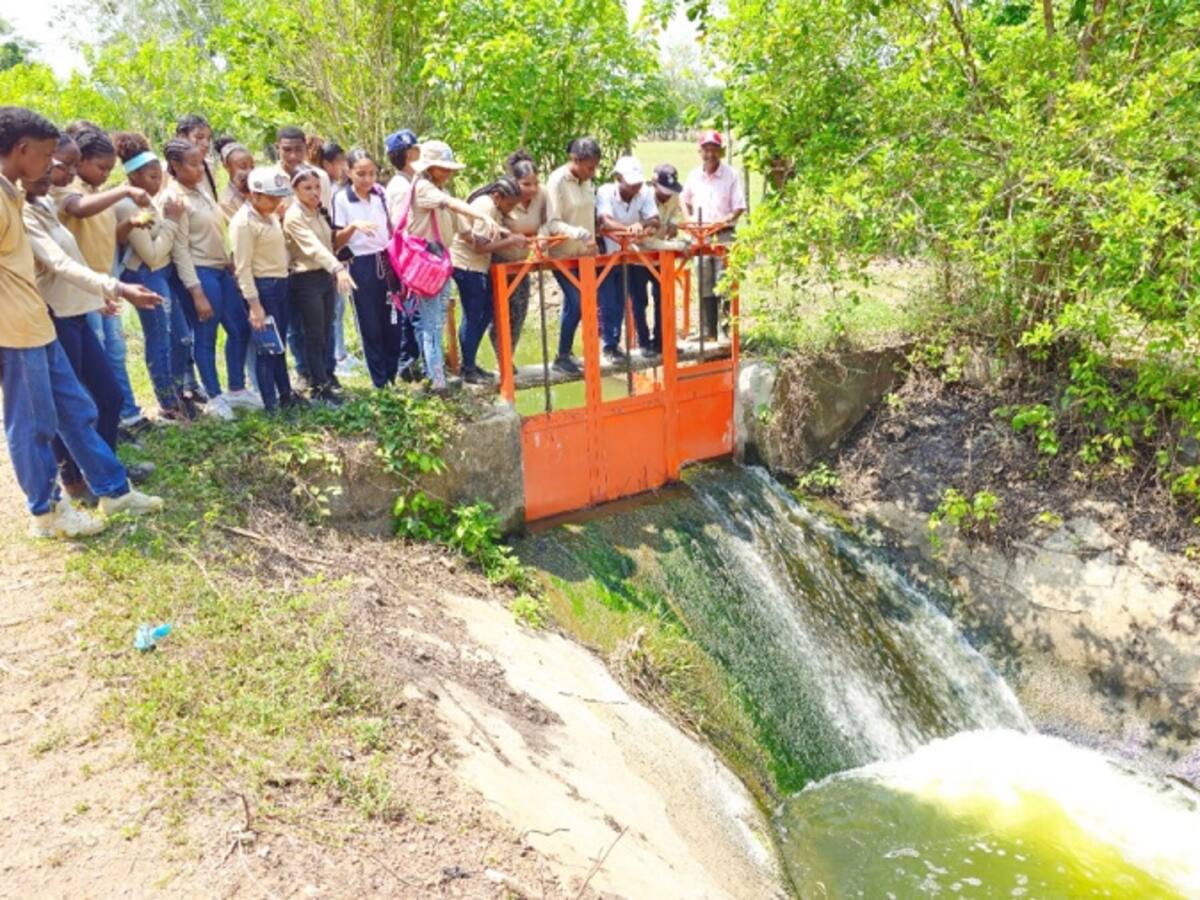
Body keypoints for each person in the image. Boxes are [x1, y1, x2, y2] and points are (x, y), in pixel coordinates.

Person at [0, 106, 163, 537]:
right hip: (13, 330)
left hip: (38, 323)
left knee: (77, 408)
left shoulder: (15, 195)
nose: (57, 169)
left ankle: (114, 490)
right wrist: (119, 288)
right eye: (49, 156)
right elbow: (53, 261)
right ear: (23, 150)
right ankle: (46, 513)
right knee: (33, 423)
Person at [23, 149, 164, 495]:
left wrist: (96, 298)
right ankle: (75, 480)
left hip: (77, 313)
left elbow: (73, 259)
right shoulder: (27, 212)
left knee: (108, 396)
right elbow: (57, 265)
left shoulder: (42, 203)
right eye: (58, 166)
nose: (65, 173)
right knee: (71, 408)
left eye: (70, 166)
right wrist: (116, 288)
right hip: (55, 317)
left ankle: (105, 470)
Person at [52, 125, 148, 432]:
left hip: (108, 278)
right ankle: (98, 425)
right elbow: (78, 211)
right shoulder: (66, 190)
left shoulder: (97, 193)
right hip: (82, 284)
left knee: (115, 354)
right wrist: (123, 190)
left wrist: (130, 223)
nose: (106, 174)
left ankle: (124, 416)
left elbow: (109, 237)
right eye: (101, 167)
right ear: (80, 163)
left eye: (110, 169)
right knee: (96, 361)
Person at [163, 138, 259, 420]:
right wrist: (196, 292)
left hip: (220, 269)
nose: (199, 170)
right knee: (206, 335)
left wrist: (229, 261)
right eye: (192, 165)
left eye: (201, 164)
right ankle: (215, 397)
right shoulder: (175, 198)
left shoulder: (201, 191)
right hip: (200, 272)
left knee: (239, 328)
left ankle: (237, 388)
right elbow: (179, 249)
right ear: (175, 166)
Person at [405, 140, 505, 392]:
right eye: (444, 168)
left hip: (440, 262)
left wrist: (492, 235)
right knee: (430, 322)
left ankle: (435, 372)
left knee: (436, 319)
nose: (449, 173)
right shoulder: (424, 189)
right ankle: (436, 378)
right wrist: (481, 214)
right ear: (430, 167)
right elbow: (452, 206)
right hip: (426, 262)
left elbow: (463, 228)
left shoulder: (440, 192)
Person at [111, 131, 192, 421]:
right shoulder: (127, 206)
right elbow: (153, 254)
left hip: (164, 274)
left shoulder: (149, 200)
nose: (158, 183)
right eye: (151, 177)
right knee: (160, 338)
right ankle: (168, 403)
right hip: (147, 275)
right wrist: (171, 221)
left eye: (160, 177)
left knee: (182, 338)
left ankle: (179, 391)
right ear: (133, 177)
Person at [230, 167, 301, 413]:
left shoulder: (269, 216)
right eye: (271, 197)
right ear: (255, 194)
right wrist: (254, 305)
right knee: (267, 349)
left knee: (279, 347)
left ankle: (286, 395)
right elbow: (243, 268)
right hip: (263, 288)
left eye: (279, 197)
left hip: (280, 283)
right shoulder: (244, 223)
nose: (276, 202)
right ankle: (271, 405)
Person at [284, 165, 355, 404]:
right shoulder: (295, 216)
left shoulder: (318, 212)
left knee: (326, 331)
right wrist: (337, 268)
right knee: (313, 335)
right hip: (306, 280)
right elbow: (312, 247)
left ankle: (326, 378)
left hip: (324, 277)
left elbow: (328, 243)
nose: (314, 192)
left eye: (317, 187)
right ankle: (319, 388)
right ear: (295, 190)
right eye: (307, 188)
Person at [331, 148, 400, 388]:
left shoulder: (380, 194)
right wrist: (354, 227)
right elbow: (336, 241)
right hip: (361, 263)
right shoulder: (341, 198)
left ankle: (393, 375)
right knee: (370, 323)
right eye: (361, 174)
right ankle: (379, 381)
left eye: (372, 173)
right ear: (349, 173)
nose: (368, 179)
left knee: (392, 320)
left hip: (386, 259)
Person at [449, 177, 527, 384]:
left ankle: (471, 365)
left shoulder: (491, 206)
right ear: (497, 196)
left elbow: (483, 231)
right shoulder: (487, 207)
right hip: (467, 265)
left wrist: (503, 231)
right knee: (475, 316)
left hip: (474, 265)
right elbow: (479, 246)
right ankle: (468, 368)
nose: (510, 209)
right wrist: (510, 241)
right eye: (509, 204)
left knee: (483, 314)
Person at [681, 130, 747, 340]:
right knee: (704, 281)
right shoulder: (693, 175)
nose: (710, 154)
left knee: (724, 282)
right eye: (706, 149)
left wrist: (725, 220)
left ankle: (725, 331)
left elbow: (739, 207)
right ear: (700, 151)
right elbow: (684, 198)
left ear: (720, 151)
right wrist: (689, 218)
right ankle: (708, 331)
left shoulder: (731, 175)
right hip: (701, 236)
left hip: (723, 234)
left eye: (714, 149)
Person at [544, 137, 601, 374]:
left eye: (595, 166)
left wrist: (593, 239)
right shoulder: (557, 181)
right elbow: (552, 222)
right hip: (562, 254)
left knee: (576, 303)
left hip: (584, 256)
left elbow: (589, 213)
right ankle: (561, 356)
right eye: (590, 167)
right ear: (575, 160)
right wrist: (577, 233)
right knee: (577, 302)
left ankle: (567, 352)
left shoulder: (587, 182)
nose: (593, 172)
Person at [595, 155, 660, 361]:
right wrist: (631, 228)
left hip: (630, 255)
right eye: (630, 184)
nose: (635, 189)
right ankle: (609, 346)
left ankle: (618, 343)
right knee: (608, 300)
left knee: (625, 300)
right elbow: (605, 220)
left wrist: (645, 227)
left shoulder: (645, 192)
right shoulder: (605, 192)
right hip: (608, 254)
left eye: (637, 184)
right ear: (618, 178)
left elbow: (655, 219)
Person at [488, 150, 546, 364]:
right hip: (500, 260)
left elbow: (549, 220)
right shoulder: (503, 197)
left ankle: (507, 355)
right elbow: (492, 228)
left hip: (523, 261)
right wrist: (511, 237)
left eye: (535, 183)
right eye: (526, 184)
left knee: (520, 311)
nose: (531, 189)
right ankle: (500, 357)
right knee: (500, 311)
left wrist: (542, 239)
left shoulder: (542, 195)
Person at [637, 163, 690, 354]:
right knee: (639, 300)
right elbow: (646, 241)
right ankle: (643, 344)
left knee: (664, 298)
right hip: (639, 255)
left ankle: (663, 341)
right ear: (653, 184)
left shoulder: (674, 195)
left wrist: (674, 224)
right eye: (663, 190)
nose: (667, 194)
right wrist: (677, 245)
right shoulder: (642, 197)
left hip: (661, 257)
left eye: (670, 190)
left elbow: (677, 212)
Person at [382, 128, 422, 380]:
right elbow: (399, 225)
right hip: (408, 259)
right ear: (410, 154)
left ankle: (410, 361)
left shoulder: (409, 182)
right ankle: (407, 363)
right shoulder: (400, 186)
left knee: (413, 311)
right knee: (412, 311)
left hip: (410, 258)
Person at [174, 114, 220, 204]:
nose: (206, 144)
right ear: (182, 137)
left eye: (208, 139)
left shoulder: (208, 167)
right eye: (199, 137)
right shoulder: (165, 172)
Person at [214, 136, 254, 220]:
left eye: (252, 166)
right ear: (226, 166)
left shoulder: (258, 189)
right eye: (242, 167)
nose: (249, 171)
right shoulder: (226, 201)